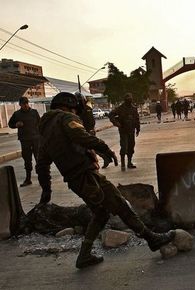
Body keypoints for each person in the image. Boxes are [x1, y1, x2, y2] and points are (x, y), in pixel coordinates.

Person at [36, 92, 175, 269]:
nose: (77, 113)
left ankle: (84, 255)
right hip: (88, 176)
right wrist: (105, 149)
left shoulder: (45, 132)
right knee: (121, 205)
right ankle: (151, 238)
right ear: (69, 106)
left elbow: (41, 166)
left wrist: (46, 191)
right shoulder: (66, 117)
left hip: (74, 181)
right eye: (76, 109)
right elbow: (81, 136)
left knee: (101, 214)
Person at [8, 97, 41, 187]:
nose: (26, 105)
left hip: (36, 139)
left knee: (39, 159)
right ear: (20, 104)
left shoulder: (34, 112)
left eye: (26, 103)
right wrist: (16, 125)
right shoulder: (17, 114)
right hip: (24, 140)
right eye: (23, 103)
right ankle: (28, 179)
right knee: (27, 159)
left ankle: (42, 177)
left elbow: (40, 123)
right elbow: (10, 124)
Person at [74, 92, 111, 169]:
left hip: (88, 131)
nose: (79, 102)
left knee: (91, 147)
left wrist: (91, 129)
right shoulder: (75, 110)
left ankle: (102, 159)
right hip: (81, 131)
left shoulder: (87, 109)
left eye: (80, 100)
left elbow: (91, 121)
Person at [108, 93, 140, 170]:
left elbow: (136, 119)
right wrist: (116, 123)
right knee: (124, 147)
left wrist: (138, 129)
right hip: (123, 130)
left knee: (131, 147)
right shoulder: (120, 108)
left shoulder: (134, 108)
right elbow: (111, 115)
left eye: (130, 98)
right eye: (128, 99)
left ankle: (129, 162)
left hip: (131, 130)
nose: (129, 100)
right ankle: (123, 164)